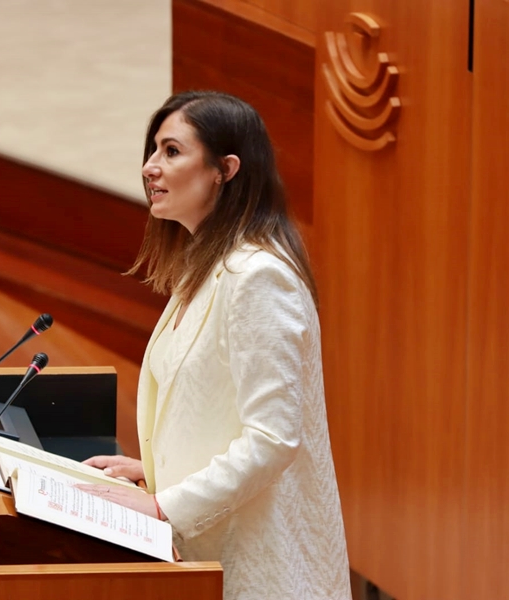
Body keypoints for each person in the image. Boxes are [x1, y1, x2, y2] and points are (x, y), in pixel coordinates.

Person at [76, 91, 352, 600]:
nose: (149, 167)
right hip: (209, 553)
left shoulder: (258, 277)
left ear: (224, 170)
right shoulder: (205, 267)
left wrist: (164, 505)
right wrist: (155, 474)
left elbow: (273, 439)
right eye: (153, 150)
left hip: (261, 569)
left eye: (171, 151)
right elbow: (213, 411)